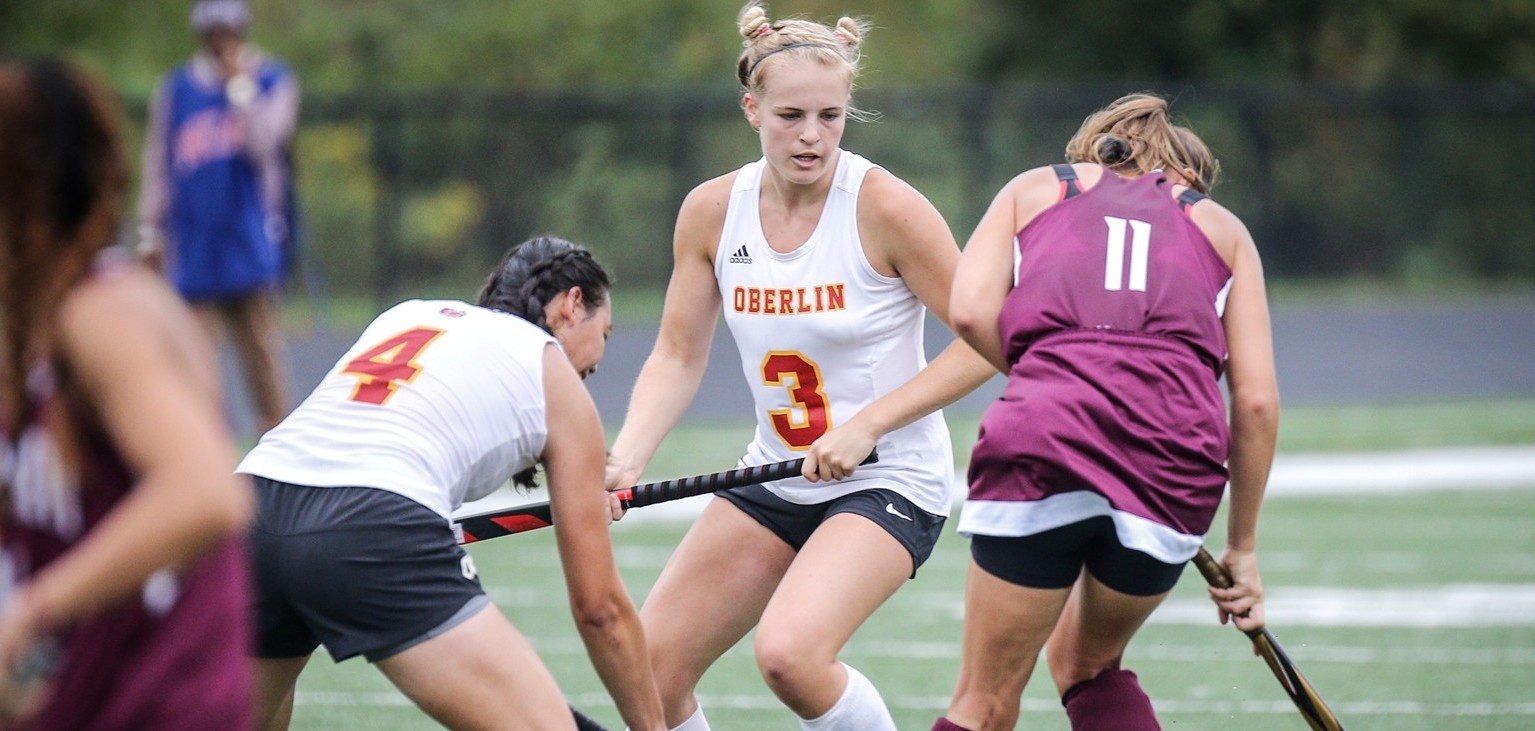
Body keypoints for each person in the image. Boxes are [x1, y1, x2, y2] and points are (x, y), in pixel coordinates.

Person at [604, 5, 995, 730]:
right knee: (648, 673)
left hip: (888, 477)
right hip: (776, 471)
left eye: (829, 115)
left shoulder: (886, 208)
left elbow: (991, 339)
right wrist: (628, 454)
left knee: (790, 655)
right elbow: (677, 352)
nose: (811, 136)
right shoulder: (712, 210)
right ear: (750, 107)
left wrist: (870, 424)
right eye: (789, 115)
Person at [932, 92, 1281, 731]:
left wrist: (1053, 381)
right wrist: (1243, 548)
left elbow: (969, 312)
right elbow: (1255, 403)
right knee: (1089, 663)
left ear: (1094, 150)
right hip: (1176, 468)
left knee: (982, 703)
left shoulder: (1035, 189)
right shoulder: (1225, 230)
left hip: (1043, 438)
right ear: (1187, 174)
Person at [239, 236, 667, 731]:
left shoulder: (409, 315)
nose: (597, 361)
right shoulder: (552, 373)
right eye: (606, 333)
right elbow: (600, 610)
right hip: (373, 523)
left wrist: (588, 482)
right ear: (573, 305)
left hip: (249, 509)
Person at [0, 57, 255, 729]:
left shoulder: (104, 313)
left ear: (23, 197)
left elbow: (205, 491)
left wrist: (29, 612)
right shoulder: (30, 333)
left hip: (159, 704)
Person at [137, 0, 301, 435]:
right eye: (213, 32)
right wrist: (149, 228)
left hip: (247, 239)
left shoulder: (272, 79)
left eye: (228, 31)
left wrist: (240, 91)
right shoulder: (176, 90)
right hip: (193, 242)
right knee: (193, 354)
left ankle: (274, 443)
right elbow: (159, 164)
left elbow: (264, 145)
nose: (220, 41)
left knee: (260, 354)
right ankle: (207, 441)